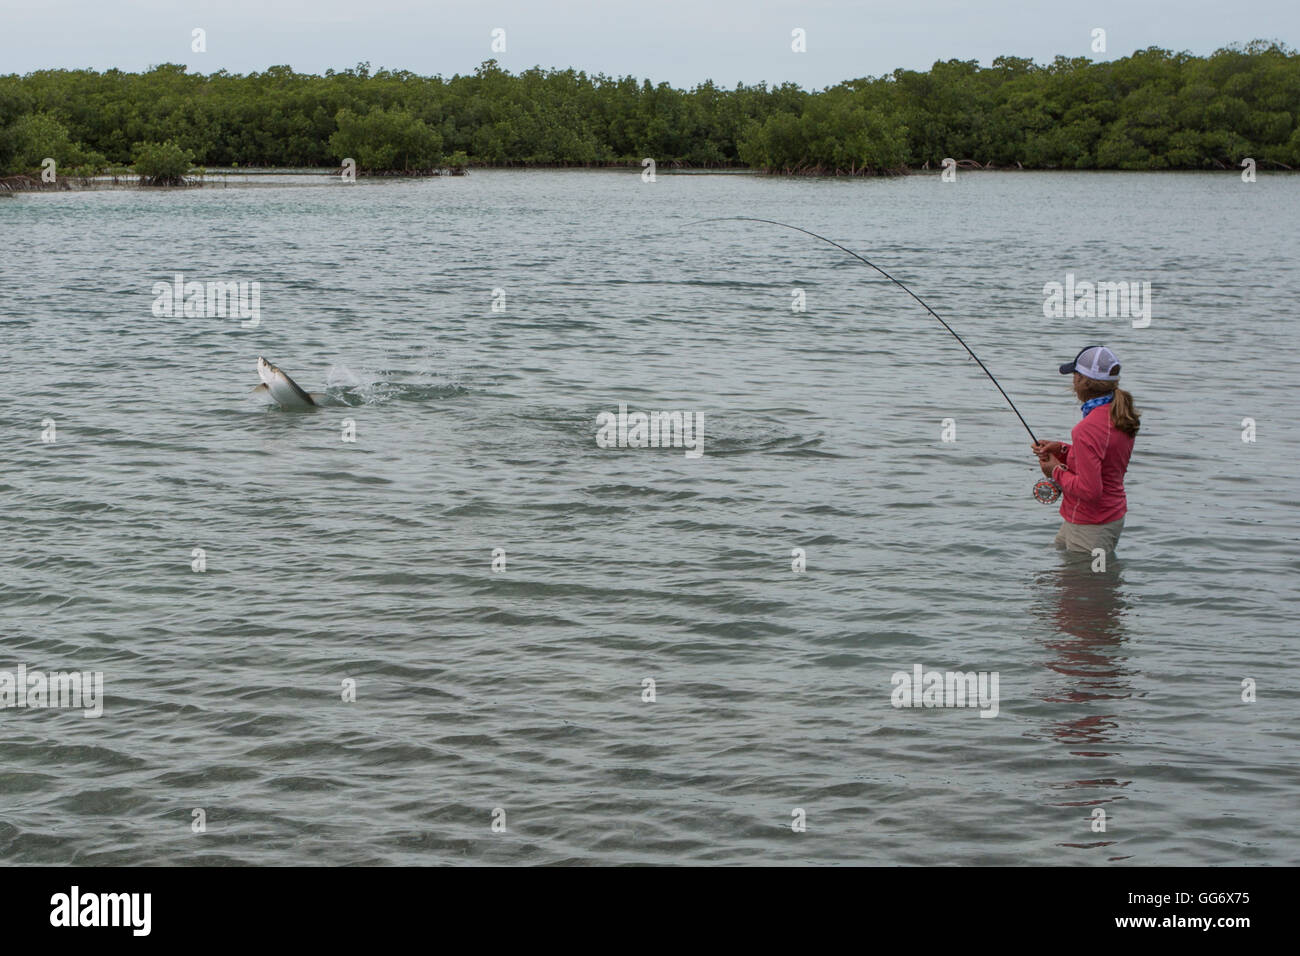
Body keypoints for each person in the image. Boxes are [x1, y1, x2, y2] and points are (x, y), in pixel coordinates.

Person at [1031, 345, 1140, 554]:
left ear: (1082, 381)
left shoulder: (1087, 428)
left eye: (1074, 374)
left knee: (1087, 585)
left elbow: (1090, 491)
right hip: (1101, 518)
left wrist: (1054, 470)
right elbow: (1104, 456)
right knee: (1059, 567)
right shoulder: (1117, 413)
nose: (1072, 380)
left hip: (1091, 527)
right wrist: (1062, 449)